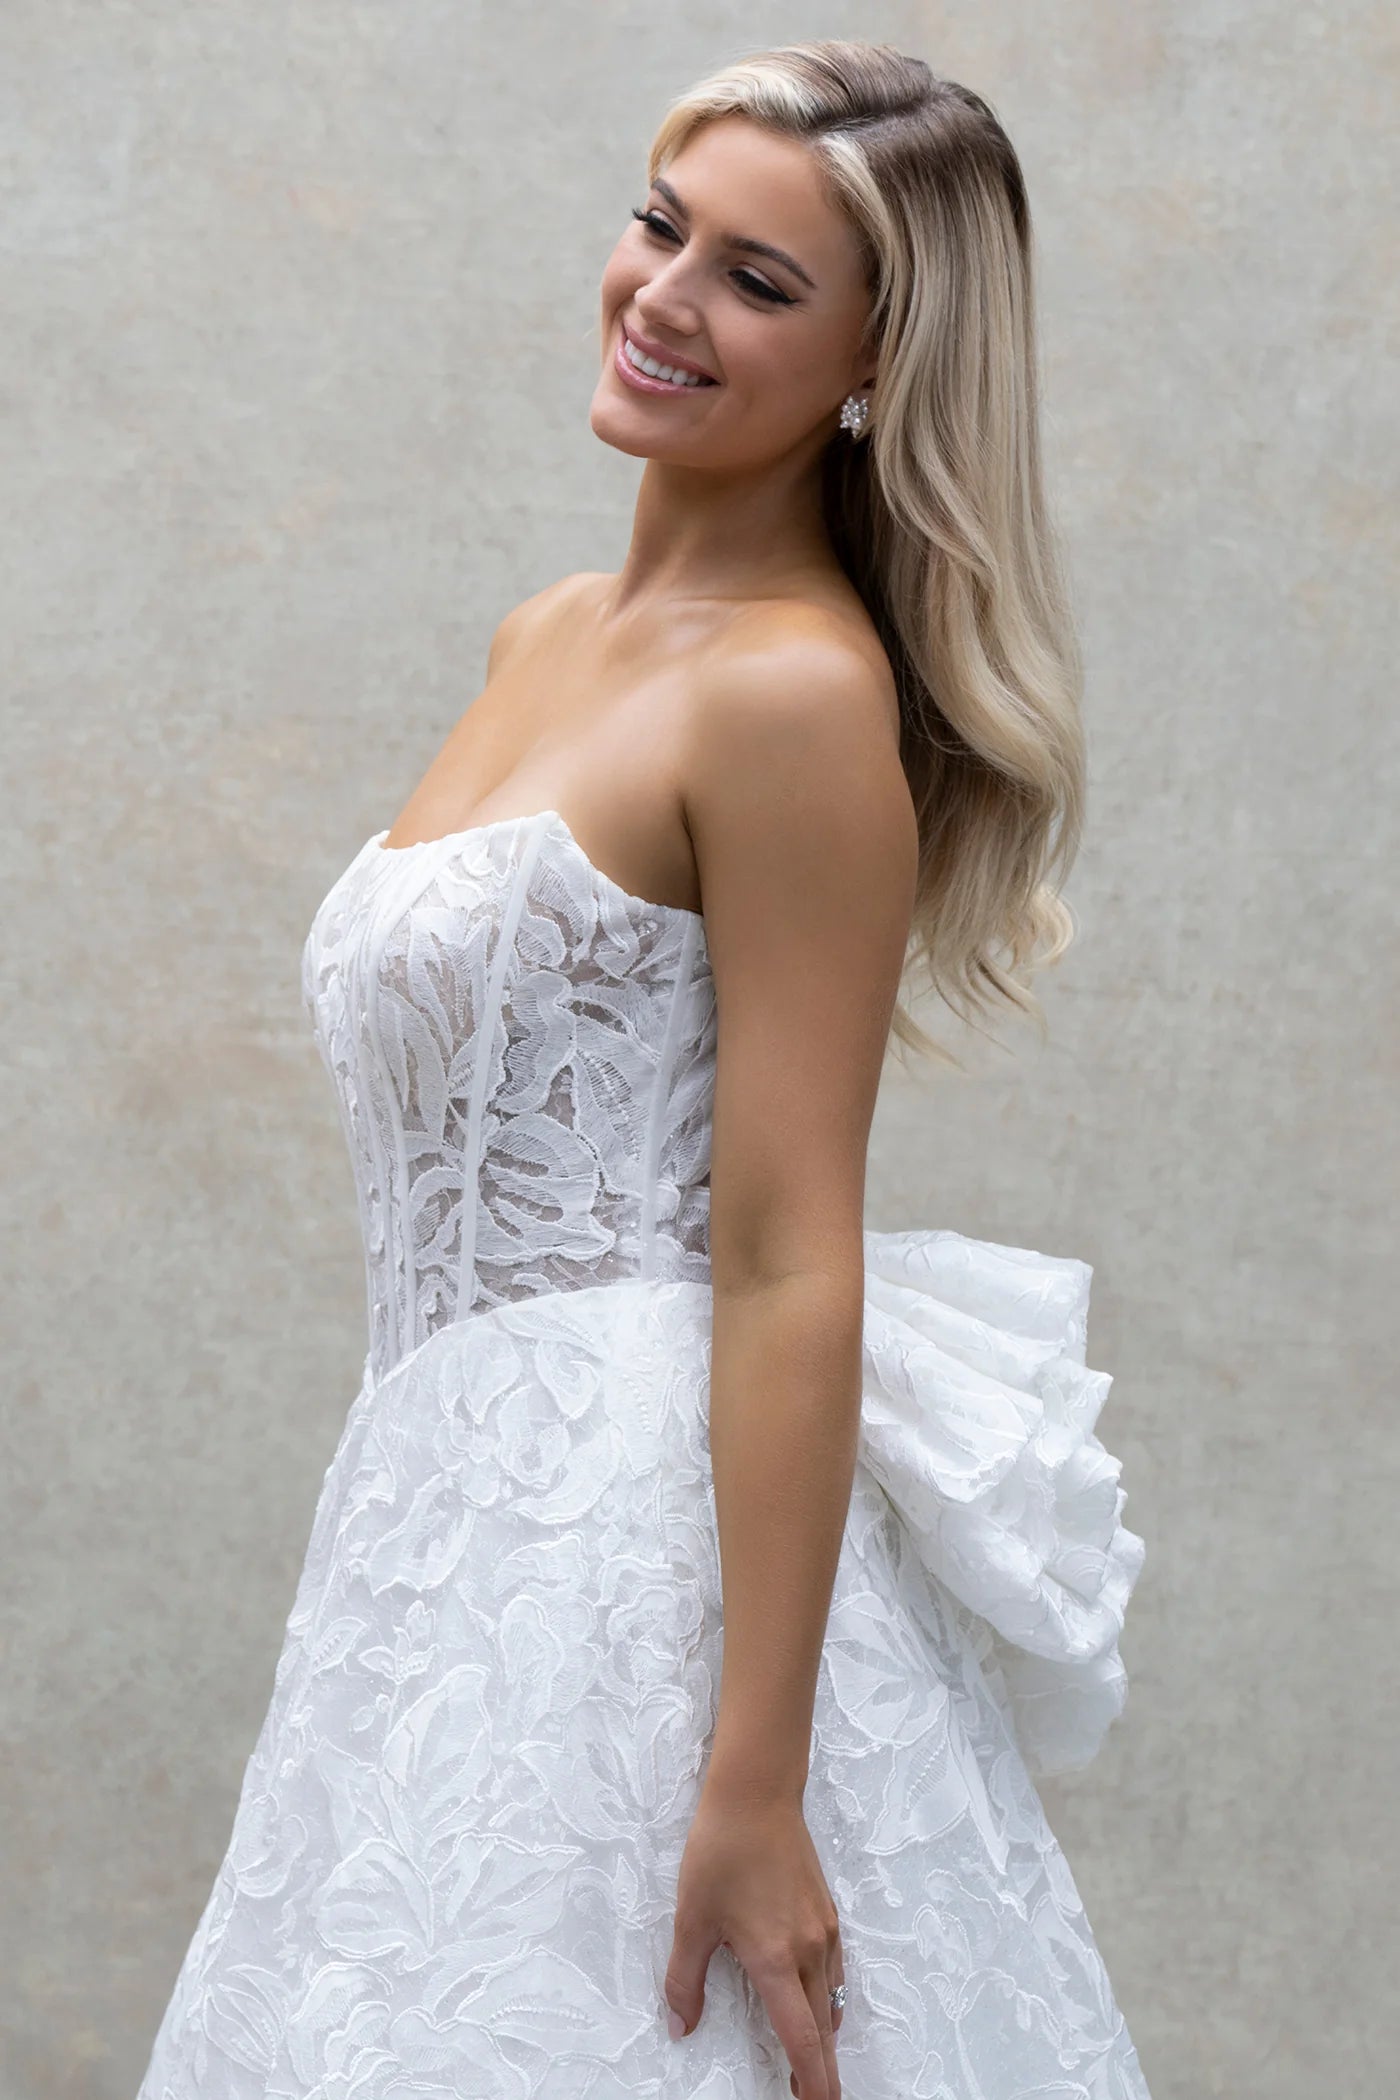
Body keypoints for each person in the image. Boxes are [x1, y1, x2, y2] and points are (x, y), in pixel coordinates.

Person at [137, 38, 1149, 2100]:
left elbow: (787, 1250)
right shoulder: (545, 636)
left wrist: (756, 1784)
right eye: (660, 224)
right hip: (442, 1523)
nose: (663, 299)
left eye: (760, 283)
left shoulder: (789, 697)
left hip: (644, 1551)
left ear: (879, 363)